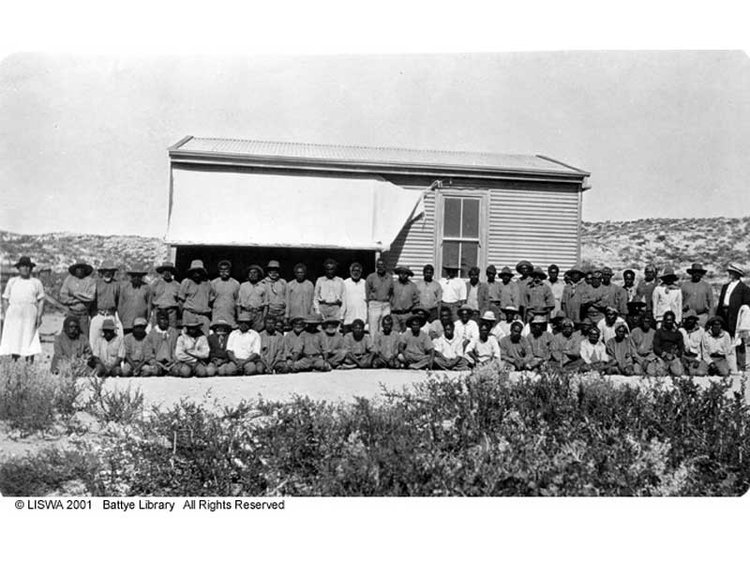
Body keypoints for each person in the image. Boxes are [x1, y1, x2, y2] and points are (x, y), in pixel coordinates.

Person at [0, 256, 45, 361]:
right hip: (14, 313)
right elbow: (5, 298)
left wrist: (39, 316)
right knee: (15, 337)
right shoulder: (12, 281)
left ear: (31, 268)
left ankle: (29, 363)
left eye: (28, 266)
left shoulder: (36, 282)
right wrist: (7, 313)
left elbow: (41, 300)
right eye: (23, 266)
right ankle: (14, 362)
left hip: (30, 313)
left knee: (29, 337)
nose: (25, 269)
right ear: (19, 268)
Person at [717, 264, 750, 372]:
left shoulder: (744, 288)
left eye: (732, 272)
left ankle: (741, 365)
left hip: (736, 316)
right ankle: (728, 365)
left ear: (737, 274)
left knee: (738, 340)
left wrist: (742, 319)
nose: (730, 274)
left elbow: (746, 306)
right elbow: (721, 302)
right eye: (729, 272)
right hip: (724, 314)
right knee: (726, 339)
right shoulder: (725, 286)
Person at [59, 260, 96, 338]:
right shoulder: (69, 280)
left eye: (82, 268)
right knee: (67, 336)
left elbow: (90, 297)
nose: (80, 270)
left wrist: (75, 294)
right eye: (78, 268)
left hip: (84, 315)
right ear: (75, 270)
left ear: (85, 270)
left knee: (84, 337)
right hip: (72, 312)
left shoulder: (90, 281)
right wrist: (76, 300)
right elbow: (63, 297)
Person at [90, 260, 122, 351]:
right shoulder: (96, 283)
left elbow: (118, 300)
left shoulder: (116, 285)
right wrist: (93, 315)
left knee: (111, 341)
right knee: (94, 340)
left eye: (110, 271)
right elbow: (92, 300)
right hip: (98, 315)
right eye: (105, 271)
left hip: (110, 315)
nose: (108, 273)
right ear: (102, 272)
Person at [143, 310, 180, 376]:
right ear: (157, 320)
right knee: (155, 372)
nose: (164, 321)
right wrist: (154, 362)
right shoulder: (152, 334)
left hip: (171, 362)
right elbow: (148, 352)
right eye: (162, 319)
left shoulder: (174, 332)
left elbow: (177, 350)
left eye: (166, 319)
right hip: (157, 362)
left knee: (178, 372)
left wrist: (174, 360)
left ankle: (169, 371)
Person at [119, 265, 152, 335]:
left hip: (141, 322)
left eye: (139, 276)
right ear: (130, 276)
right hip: (127, 322)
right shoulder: (124, 288)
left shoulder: (147, 288)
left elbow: (149, 305)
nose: (136, 278)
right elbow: (120, 305)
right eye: (134, 276)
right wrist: (122, 320)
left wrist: (147, 320)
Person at [365, 258, 393, 335]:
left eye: (383, 265)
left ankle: (381, 345)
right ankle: (373, 345)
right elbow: (367, 292)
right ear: (376, 266)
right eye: (379, 265)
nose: (381, 267)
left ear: (386, 266)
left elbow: (391, 292)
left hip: (386, 304)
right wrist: (369, 304)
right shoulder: (371, 277)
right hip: (374, 304)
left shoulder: (390, 278)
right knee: (373, 328)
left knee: (384, 327)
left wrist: (389, 302)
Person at [653, 311, 684, 376]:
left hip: (673, 357)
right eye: (667, 320)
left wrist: (674, 355)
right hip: (662, 357)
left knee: (679, 373)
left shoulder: (678, 333)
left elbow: (681, 347)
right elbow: (656, 346)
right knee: (660, 374)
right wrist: (663, 353)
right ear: (664, 321)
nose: (669, 322)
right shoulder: (659, 332)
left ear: (673, 321)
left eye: (671, 320)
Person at [238, 264, 267, 333]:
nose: (252, 275)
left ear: (258, 274)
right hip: (246, 313)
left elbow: (266, 304)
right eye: (250, 273)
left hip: (258, 314)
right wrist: (239, 316)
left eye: (254, 273)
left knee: (257, 333)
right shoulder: (243, 285)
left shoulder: (263, 286)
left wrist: (263, 318)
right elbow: (238, 304)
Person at [150, 261, 180, 328]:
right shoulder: (155, 284)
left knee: (171, 332)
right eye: (165, 271)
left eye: (169, 271)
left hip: (171, 312)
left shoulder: (177, 285)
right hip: (158, 311)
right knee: (156, 331)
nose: (167, 273)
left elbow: (180, 301)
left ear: (172, 273)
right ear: (162, 272)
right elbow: (150, 298)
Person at [210, 260, 240, 327]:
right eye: (221, 270)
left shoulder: (236, 284)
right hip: (216, 315)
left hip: (230, 316)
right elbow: (209, 301)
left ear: (230, 270)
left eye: (226, 270)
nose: (224, 272)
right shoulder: (213, 283)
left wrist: (238, 317)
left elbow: (237, 302)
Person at [390, 265, 419, 332]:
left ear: (408, 275)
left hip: (407, 314)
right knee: (395, 335)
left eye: (405, 273)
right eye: (401, 273)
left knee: (406, 335)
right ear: (398, 274)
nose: (403, 275)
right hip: (395, 314)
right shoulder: (393, 285)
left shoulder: (413, 286)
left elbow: (416, 301)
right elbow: (389, 298)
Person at [341, 263, 367, 333]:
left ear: (361, 272)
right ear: (350, 272)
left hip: (362, 318)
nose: (356, 273)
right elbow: (343, 301)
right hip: (348, 319)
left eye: (358, 271)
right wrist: (341, 316)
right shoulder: (344, 283)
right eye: (354, 271)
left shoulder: (365, 284)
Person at [680, 310, 708, 376]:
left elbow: (704, 348)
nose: (689, 321)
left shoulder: (701, 331)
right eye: (688, 319)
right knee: (680, 374)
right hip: (685, 357)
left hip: (696, 357)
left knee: (700, 373)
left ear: (695, 320)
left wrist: (698, 359)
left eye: (692, 319)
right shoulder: (681, 331)